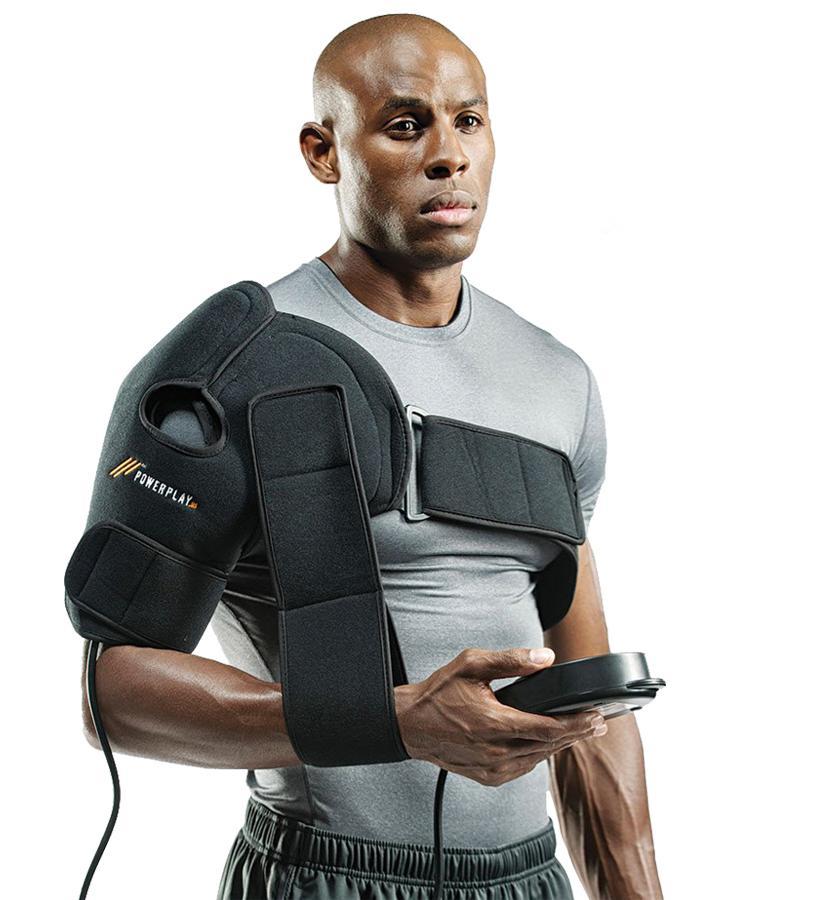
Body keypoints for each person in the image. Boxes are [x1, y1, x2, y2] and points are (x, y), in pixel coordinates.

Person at [81, 13, 663, 899]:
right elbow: (111, 696)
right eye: (405, 125)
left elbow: (587, 700)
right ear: (324, 152)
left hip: (529, 877)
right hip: (328, 876)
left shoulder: (557, 380)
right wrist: (394, 722)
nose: (448, 155)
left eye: (469, 121)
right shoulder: (232, 365)